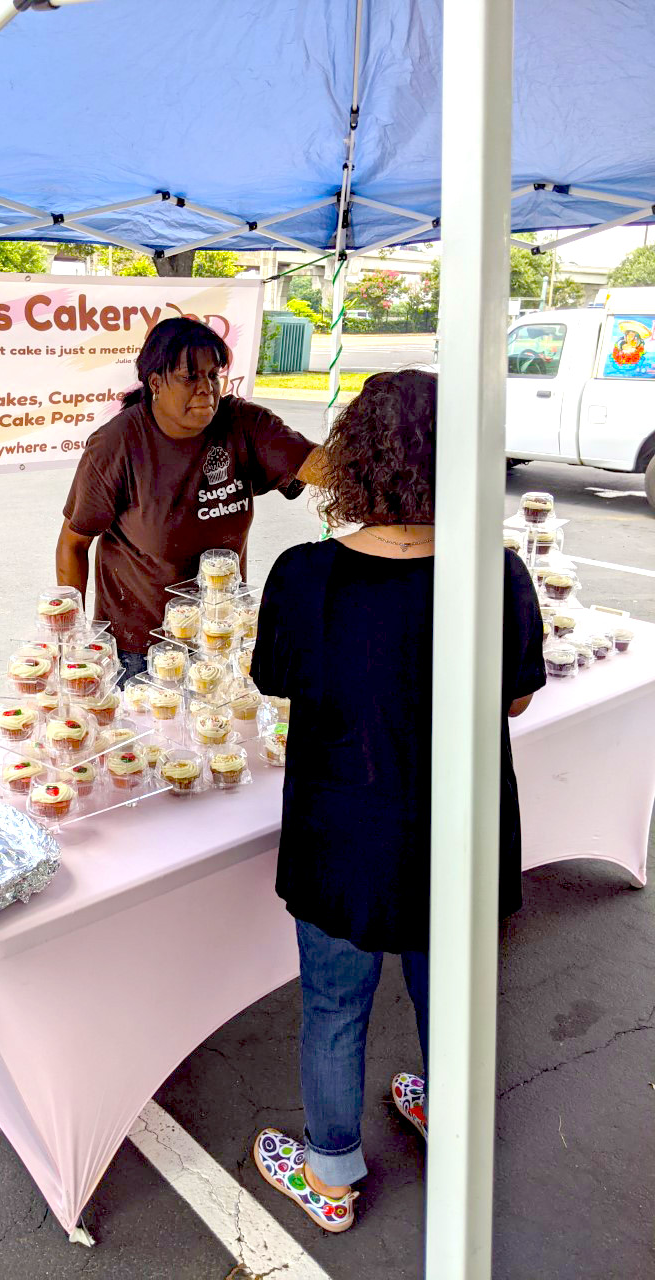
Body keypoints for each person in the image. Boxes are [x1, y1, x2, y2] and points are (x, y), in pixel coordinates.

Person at [248, 370, 545, 1233]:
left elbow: (276, 681)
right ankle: (449, 1118)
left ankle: (331, 1172)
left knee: (334, 1005)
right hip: (459, 835)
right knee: (449, 994)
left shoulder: (304, 576)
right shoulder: (497, 573)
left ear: (355, 460)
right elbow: (516, 698)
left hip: (343, 835)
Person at [56, 317, 325, 681]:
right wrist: (70, 639)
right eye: (190, 377)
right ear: (155, 383)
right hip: (139, 649)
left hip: (220, 637)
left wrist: (381, 456)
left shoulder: (242, 422)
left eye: (213, 375)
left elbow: (317, 466)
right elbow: (73, 543)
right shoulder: (117, 444)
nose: (206, 389)